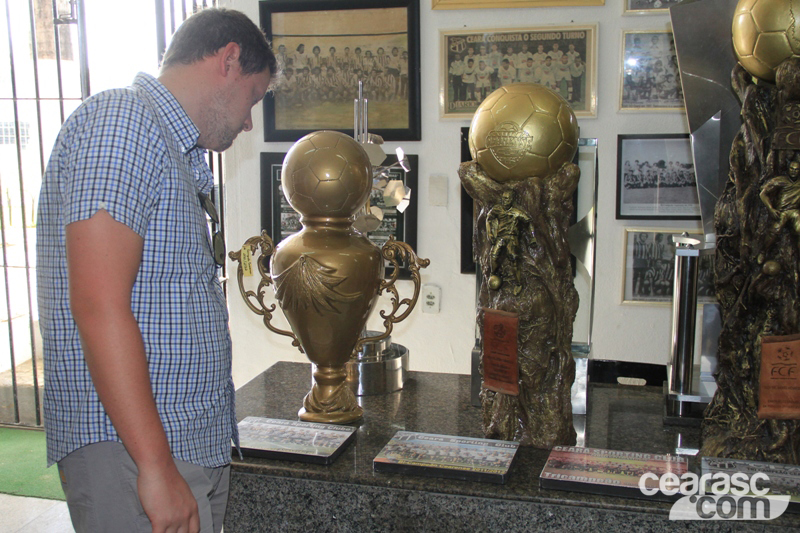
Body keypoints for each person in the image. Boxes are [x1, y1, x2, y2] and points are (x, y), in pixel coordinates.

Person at [36, 8, 277, 533]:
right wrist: (154, 465)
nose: (248, 121)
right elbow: (98, 303)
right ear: (229, 59)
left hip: (178, 444)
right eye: (253, 99)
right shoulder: (124, 121)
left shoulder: (171, 148)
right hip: (133, 452)